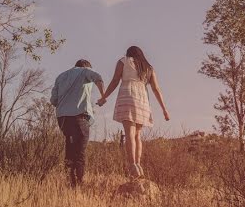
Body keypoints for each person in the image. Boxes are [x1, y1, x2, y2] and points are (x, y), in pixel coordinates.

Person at [97, 46, 170, 178]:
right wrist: (164, 109)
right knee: (137, 135)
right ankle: (138, 164)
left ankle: (132, 165)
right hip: (143, 99)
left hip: (128, 95)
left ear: (128, 53)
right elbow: (156, 89)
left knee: (129, 133)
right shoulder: (148, 67)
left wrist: (104, 97)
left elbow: (115, 81)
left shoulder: (124, 61)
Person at [50, 59, 105, 187]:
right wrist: (103, 97)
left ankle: (69, 182)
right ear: (86, 66)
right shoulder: (85, 71)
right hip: (79, 117)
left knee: (69, 148)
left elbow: (53, 101)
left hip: (63, 118)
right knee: (80, 151)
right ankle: (79, 184)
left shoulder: (61, 76)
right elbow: (99, 78)